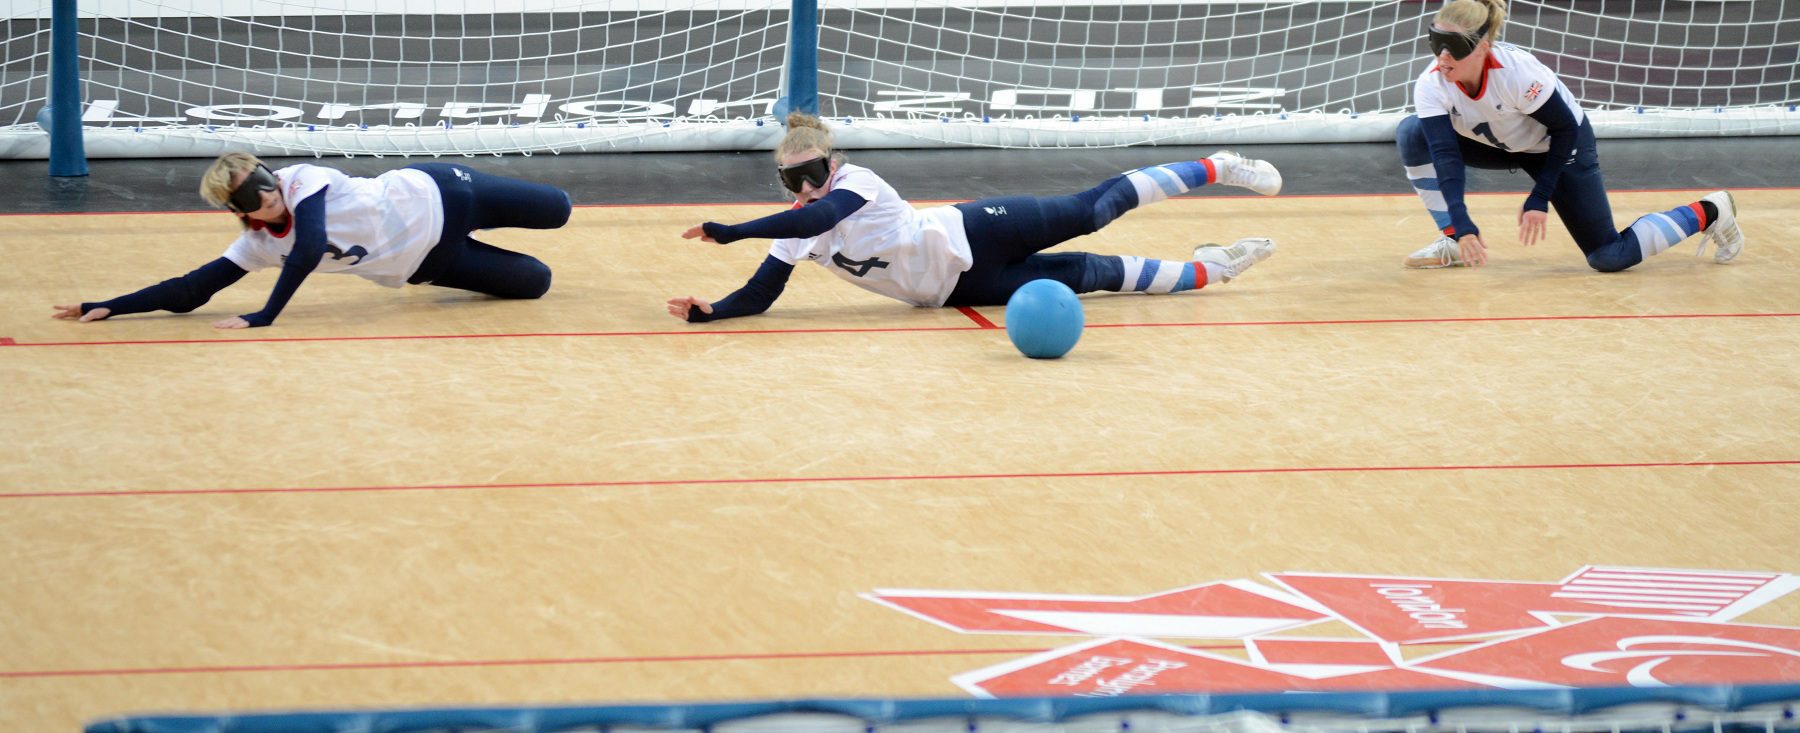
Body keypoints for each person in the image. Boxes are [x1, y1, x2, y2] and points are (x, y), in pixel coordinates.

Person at [666, 113, 1281, 323]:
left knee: (1091, 211)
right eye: (789, 180)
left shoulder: (856, 184)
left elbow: (815, 217)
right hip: (959, 287)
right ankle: (1214, 269)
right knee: (1092, 275)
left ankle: (1218, 165)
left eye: (812, 171)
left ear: (831, 162)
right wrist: (712, 311)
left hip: (976, 228)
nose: (803, 187)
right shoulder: (794, 230)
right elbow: (760, 292)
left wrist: (734, 230)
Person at [1396, 0, 1744, 271]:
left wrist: (1540, 195)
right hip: (1501, 145)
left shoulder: (1518, 75)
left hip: (1559, 146)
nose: (1442, 57)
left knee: (1608, 256)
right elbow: (1446, 157)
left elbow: (1566, 129)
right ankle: (1455, 243)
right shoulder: (1431, 83)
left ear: (1483, 46)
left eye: (1453, 46)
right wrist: (1463, 224)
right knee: (1413, 133)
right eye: (1436, 43)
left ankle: (1711, 210)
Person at [52, 153, 573, 328]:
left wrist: (265, 316)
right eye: (253, 193)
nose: (268, 189)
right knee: (536, 282)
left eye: (263, 175)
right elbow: (192, 291)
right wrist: (111, 306)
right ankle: (468, 250)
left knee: (560, 209)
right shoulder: (258, 246)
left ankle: (487, 216)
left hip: (444, 194)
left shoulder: (300, 180)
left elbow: (309, 246)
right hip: (431, 262)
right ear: (241, 212)